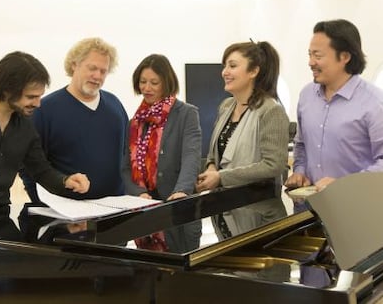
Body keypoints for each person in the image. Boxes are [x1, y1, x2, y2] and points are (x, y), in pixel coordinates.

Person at [0, 51, 90, 240]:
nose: (38, 103)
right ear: (8, 89)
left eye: (40, 96)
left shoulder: (25, 127)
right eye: (31, 97)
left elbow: (41, 170)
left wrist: (66, 180)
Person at [285, 19, 383, 211]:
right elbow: (301, 145)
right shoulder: (306, 96)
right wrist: (300, 171)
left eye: (318, 56)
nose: (311, 62)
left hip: (357, 210)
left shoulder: (374, 102)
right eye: (310, 55)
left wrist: (343, 185)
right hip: (308, 211)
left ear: (344, 56)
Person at [195, 41, 289, 239]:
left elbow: (273, 165)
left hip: (261, 217)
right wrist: (212, 167)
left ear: (254, 71)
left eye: (232, 65)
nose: (224, 72)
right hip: (225, 210)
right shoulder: (226, 106)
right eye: (225, 66)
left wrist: (221, 177)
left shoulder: (271, 111)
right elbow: (215, 154)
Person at [19, 37, 128, 202]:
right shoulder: (44, 110)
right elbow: (28, 167)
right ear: (74, 65)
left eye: (103, 71)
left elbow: (128, 154)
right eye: (92, 68)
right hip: (67, 216)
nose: (97, 76)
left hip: (115, 213)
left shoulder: (115, 105)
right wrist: (45, 204)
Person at [121, 54, 202, 253]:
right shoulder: (136, 121)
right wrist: (138, 192)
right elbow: (124, 167)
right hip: (145, 213)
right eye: (142, 82)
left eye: (154, 82)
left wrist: (182, 190)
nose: (146, 88)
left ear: (166, 82)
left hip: (176, 209)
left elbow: (191, 156)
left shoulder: (186, 113)